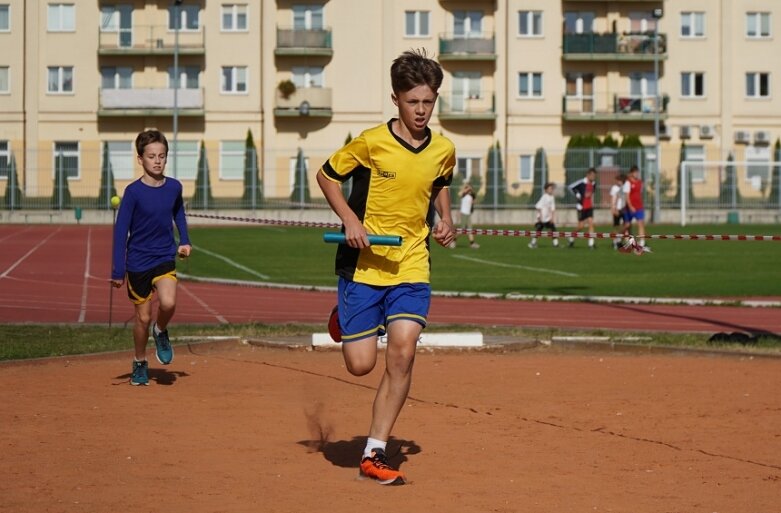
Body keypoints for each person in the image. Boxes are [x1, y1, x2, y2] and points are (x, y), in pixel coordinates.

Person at [316, 49, 455, 486]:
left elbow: (439, 185)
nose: (420, 110)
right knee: (360, 364)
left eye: (428, 102)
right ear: (395, 99)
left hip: (411, 262)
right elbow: (326, 175)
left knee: (403, 350)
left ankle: (374, 451)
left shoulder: (444, 149)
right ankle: (346, 318)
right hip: (364, 264)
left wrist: (445, 220)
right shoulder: (372, 142)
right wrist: (350, 220)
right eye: (412, 102)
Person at [111, 129, 192, 387]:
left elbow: (179, 213)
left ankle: (161, 331)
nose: (157, 161)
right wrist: (117, 270)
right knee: (142, 319)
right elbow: (120, 231)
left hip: (164, 256)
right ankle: (139, 362)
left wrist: (185, 241)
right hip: (137, 263)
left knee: (168, 303)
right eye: (151, 156)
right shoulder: (133, 193)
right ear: (140, 159)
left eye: (162, 156)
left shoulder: (174, 187)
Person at [567, 167, 597, 249]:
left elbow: (591, 194)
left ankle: (591, 244)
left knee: (591, 223)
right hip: (581, 207)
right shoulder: (581, 182)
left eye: (595, 176)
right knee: (581, 226)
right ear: (588, 175)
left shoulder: (594, 183)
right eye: (592, 175)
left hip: (589, 206)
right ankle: (571, 237)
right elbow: (570, 187)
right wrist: (577, 194)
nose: (594, 177)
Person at [623, 165, 648, 249]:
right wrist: (630, 206)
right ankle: (627, 241)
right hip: (629, 208)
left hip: (639, 207)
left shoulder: (640, 182)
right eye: (635, 172)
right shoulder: (628, 182)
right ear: (631, 173)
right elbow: (627, 196)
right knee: (627, 225)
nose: (636, 174)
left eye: (637, 172)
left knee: (640, 223)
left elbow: (639, 194)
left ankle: (642, 242)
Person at [529, 182, 559, 248]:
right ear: (546, 190)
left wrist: (552, 218)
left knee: (553, 228)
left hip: (548, 218)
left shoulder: (552, 197)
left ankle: (555, 243)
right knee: (539, 230)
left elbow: (552, 208)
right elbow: (538, 207)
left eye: (552, 189)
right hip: (542, 217)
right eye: (550, 189)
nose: (551, 190)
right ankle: (532, 243)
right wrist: (540, 217)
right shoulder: (544, 197)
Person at [456, 183, 479, 249]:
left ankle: (472, 243)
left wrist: (473, 199)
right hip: (463, 213)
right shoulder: (463, 194)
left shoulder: (472, 195)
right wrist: (466, 189)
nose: (469, 189)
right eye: (468, 187)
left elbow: (474, 201)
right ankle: (453, 240)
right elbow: (459, 194)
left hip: (468, 214)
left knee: (470, 229)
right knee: (462, 229)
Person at [609, 173, 627, 250]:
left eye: (620, 180)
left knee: (625, 225)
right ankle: (615, 242)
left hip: (624, 209)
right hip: (617, 209)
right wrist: (613, 208)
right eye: (618, 180)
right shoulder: (614, 188)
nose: (619, 182)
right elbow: (613, 199)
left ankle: (619, 240)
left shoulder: (625, 188)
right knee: (616, 226)